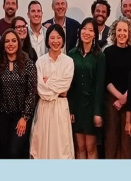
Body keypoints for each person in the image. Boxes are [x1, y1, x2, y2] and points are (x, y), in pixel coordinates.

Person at [0, 29, 38, 159]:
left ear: (18, 43)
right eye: (7, 41)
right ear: (3, 44)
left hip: (21, 116)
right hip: (2, 116)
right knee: (3, 151)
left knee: (15, 151)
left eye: (13, 40)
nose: (10, 44)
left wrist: (25, 117)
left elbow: (31, 92)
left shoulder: (28, 63)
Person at [30, 24, 75, 159]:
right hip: (44, 108)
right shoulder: (40, 62)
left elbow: (65, 86)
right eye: (52, 38)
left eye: (59, 37)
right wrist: (56, 89)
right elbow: (40, 89)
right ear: (47, 40)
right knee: (42, 146)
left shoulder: (68, 61)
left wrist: (47, 81)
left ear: (63, 40)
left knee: (61, 147)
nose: (55, 41)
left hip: (61, 108)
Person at [68, 18, 106, 159]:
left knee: (90, 147)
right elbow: (69, 85)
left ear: (95, 34)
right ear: (80, 31)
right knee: (80, 146)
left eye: (91, 30)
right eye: (84, 29)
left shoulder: (100, 56)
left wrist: (98, 112)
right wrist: (71, 109)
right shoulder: (71, 54)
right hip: (77, 106)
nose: (87, 33)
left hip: (91, 107)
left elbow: (100, 86)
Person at [103, 18, 131, 159]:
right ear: (114, 33)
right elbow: (107, 79)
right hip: (111, 100)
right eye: (119, 30)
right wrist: (118, 97)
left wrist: (124, 98)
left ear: (129, 33)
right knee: (111, 139)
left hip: (129, 100)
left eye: (125, 30)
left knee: (127, 140)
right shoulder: (108, 52)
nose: (122, 33)